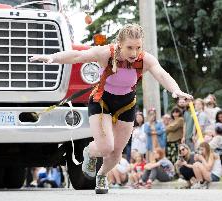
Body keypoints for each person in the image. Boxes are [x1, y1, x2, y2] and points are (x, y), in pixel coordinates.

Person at [29, 23, 192, 194]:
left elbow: (161, 74)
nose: (134, 53)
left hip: (126, 105)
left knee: (116, 153)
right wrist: (53, 58)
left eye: (138, 47)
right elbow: (78, 55)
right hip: (102, 102)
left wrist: (176, 90)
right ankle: (89, 152)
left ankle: (102, 175)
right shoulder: (105, 53)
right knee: (106, 147)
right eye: (129, 47)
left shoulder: (145, 59)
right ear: (120, 43)